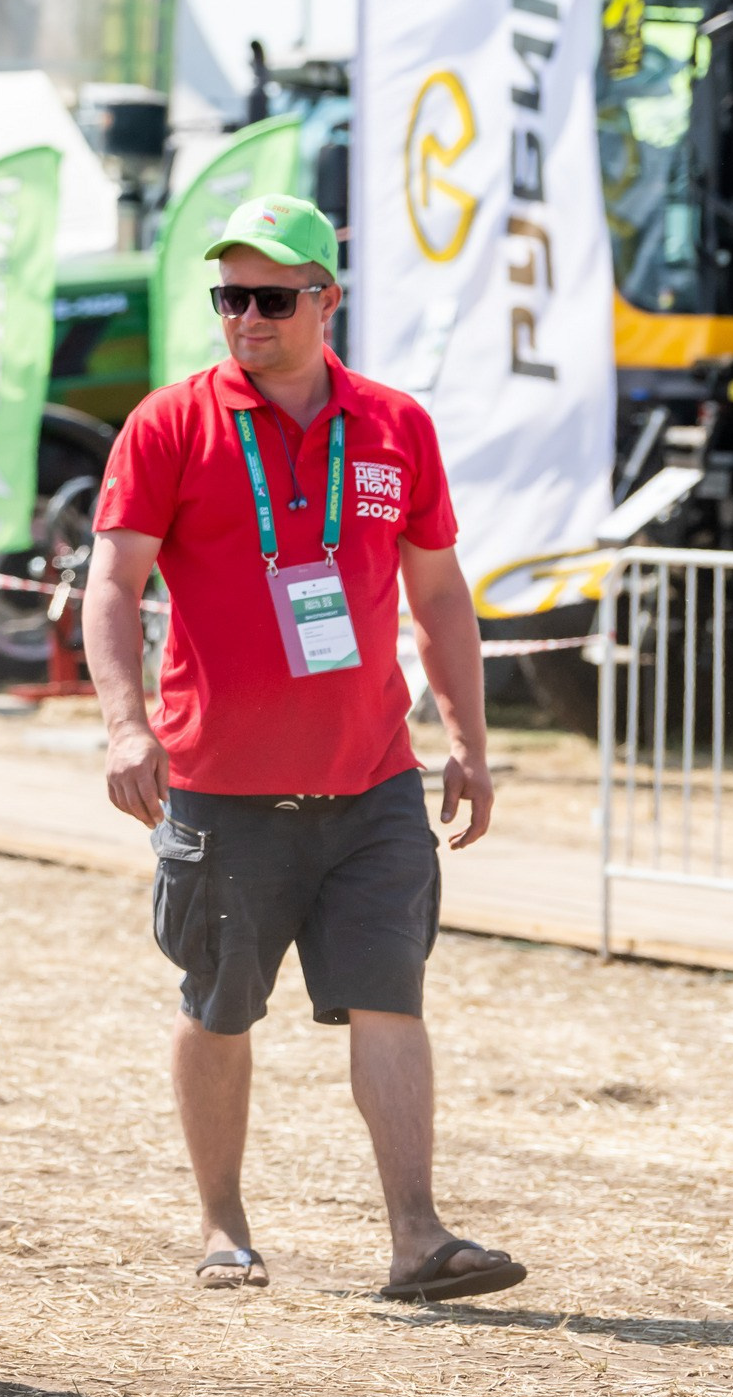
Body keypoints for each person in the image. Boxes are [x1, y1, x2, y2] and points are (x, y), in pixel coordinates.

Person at [81, 193, 518, 1304]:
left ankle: (416, 1240)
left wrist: (468, 738)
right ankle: (223, 1228)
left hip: (372, 782)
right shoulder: (171, 423)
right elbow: (112, 583)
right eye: (228, 296)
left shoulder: (393, 427)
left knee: (390, 998)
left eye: (271, 296)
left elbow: (438, 594)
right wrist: (125, 724)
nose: (245, 317)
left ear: (326, 298)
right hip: (220, 793)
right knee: (219, 1004)